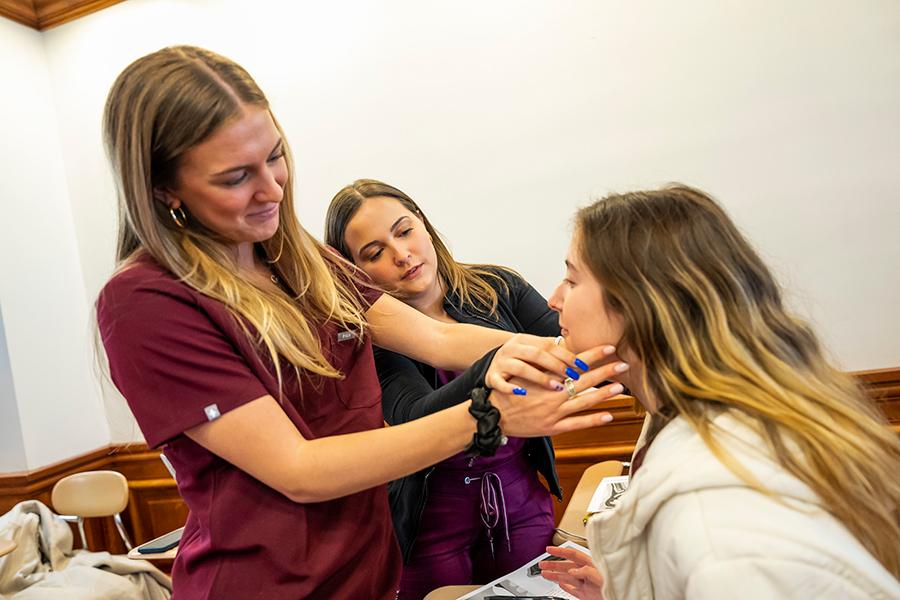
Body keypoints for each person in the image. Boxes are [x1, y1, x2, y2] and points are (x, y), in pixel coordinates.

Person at [95, 45, 626, 600]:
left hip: (369, 571)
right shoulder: (145, 302)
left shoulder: (298, 259)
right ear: (163, 189)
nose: (273, 190)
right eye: (235, 177)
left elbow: (438, 336)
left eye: (275, 156)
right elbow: (298, 468)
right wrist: (487, 418)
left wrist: (577, 348)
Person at [538, 185, 900, 599]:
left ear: (641, 304)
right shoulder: (684, 415)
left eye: (571, 279)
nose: (554, 300)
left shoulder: (720, 526)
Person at [325, 180, 573, 598]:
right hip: (430, 524)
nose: (401, 255)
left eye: (404, 232)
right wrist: (499, 366)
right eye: (374, 253)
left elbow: (569, 350)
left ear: (423, 225)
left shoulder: (500, 288)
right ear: (355, 275)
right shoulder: (372, 340)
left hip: (522, 504)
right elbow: (417, 414)